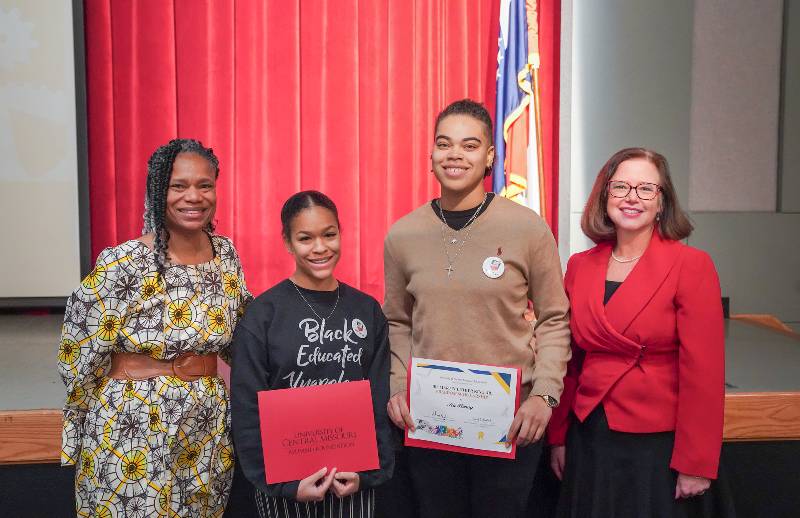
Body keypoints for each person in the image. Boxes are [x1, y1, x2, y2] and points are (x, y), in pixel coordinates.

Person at [381, 98, 571, 518]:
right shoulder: (403, 235)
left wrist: (545, 396)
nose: (454, 155)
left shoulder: (526, 228)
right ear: (430, 154)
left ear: (489, 156)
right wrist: (398, 386)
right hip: (430, 423)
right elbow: (397, 321)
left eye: (469, 145)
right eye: (444, 144)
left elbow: (556, 318)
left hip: (511, 423)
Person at [58, 138, 252, 517]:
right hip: (132, 428)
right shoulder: (124, 262)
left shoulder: (226, 255)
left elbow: (242, 336)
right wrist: (81, 424)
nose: (193, 196)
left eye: (204, 185)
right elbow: (77, 352)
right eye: (178, 186)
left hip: (205, 426)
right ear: (157, 190)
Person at [547, 147, 731, 517]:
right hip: (590, 435)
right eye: (621, 187)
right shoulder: (580, 266)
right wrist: (558, 437)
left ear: (662, 203)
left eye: (646, 189)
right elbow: (570, 362)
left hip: (656, 444)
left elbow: (704, 373)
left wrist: (696, 461)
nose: (632, 198)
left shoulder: (691, 265)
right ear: (605, 196)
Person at [230, 191, 394, 518]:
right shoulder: (263, 314)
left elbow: (379, 397)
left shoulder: (366, 310)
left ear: (341, 234)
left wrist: (368, 475)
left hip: (353, 483)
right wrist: (284, 486)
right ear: (288, 242)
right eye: (305, 238)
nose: (320, 248)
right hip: (286, 488)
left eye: (329, 235)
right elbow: (247, 408)